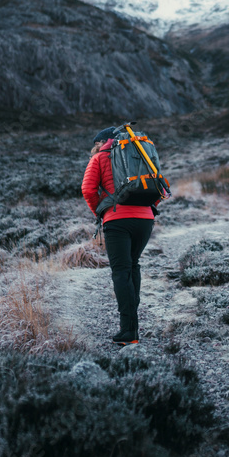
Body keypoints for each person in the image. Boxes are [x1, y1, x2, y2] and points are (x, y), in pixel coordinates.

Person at [81, 126, 156, 345]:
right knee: (133, 266)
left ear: (101, 142)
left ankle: (129, 332)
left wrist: (101, 210)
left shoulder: (100, 158)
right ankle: (132, 326)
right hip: (145, 219)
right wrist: (148, 208)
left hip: (117, 220)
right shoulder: (139, 153)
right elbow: (158, 184)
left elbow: (87, 189)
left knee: (121, 271)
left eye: (96, 144)